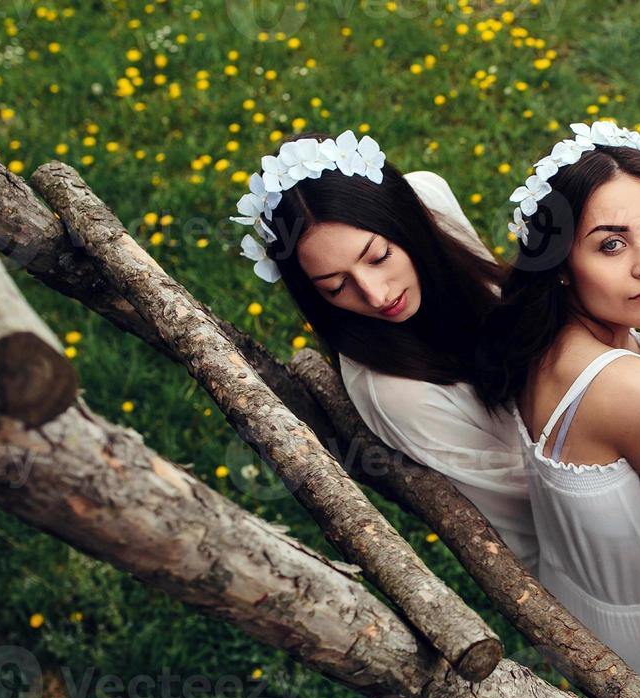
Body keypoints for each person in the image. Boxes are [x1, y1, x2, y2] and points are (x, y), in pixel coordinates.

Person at [472, 122, 640, 698]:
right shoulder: (629, 389)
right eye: (611, 244)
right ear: (560, 260)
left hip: (593, 602)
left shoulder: (549, 336)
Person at [229, 128, 539, 571]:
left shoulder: (429, 198)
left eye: (378, 258)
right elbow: (534, 501)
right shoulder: (395, 393)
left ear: (406, 222)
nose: (375, 295)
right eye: (335, 286)